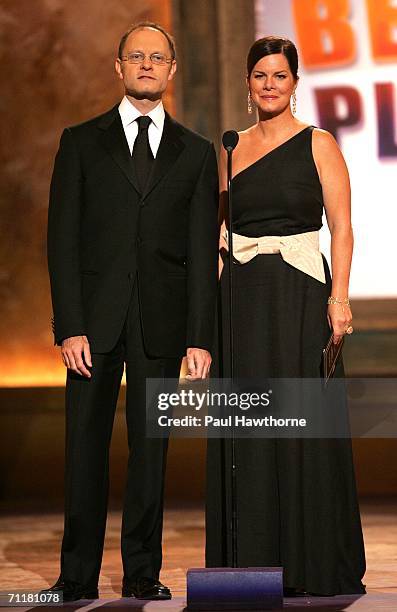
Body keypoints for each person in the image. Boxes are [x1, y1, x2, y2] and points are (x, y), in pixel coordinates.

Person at [45, 22, 218, 602]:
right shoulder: (81, 142)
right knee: (84, 451)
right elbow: (62, 242)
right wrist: (68, 324)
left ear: (172, 70)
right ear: (118, 68)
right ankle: (77, 574)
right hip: (92, 326)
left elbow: (200, 253)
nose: (147, 65)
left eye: (158, 57)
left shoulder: (195, 154)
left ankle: (142, 569)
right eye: (136, 56)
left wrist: (200, 337)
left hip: (161, 327)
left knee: (151, 454)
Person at [205, 36, 366, 596]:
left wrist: (339, 299)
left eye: (280, 75)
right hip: (242, 304)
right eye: (260, 76)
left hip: (301, 298)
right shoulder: (230, 148)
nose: (269, 84)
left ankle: (311, 563)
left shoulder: (318, 144)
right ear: (248, 85)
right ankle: (250, 567)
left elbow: (342, 227)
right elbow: (221, 235)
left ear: (295, 82)